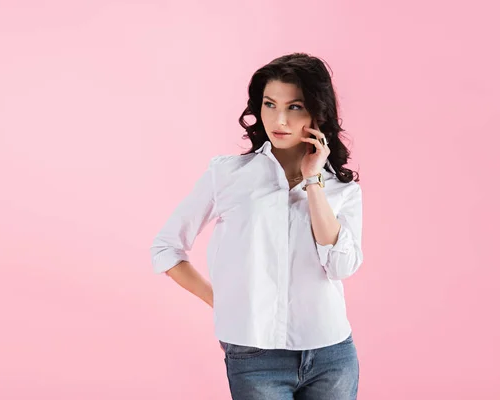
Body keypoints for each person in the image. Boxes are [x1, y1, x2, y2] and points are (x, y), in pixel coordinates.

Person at [150, 52, 363, 400]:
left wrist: (313, 181)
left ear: (317, 113)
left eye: (295, 107)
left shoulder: (342, 189)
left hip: (332, 353)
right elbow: (165, 248)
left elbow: (340, 266)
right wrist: (223, 302)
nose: (278, 119)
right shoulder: (228, 175)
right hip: (255, 357)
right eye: (269, 104)